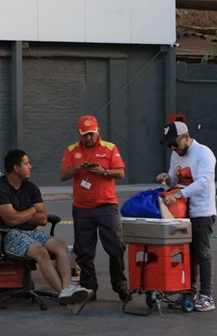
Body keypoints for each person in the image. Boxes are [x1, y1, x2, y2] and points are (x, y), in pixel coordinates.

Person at [0, 149, 93, 311]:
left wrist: (21, 214)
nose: (30, 166)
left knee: (61, 246)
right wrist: (31, 211)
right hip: (5, 234)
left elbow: (43, 218)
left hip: (30, 232)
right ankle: (65, 296)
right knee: (41, 251)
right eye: (26, 163)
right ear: (16, 168)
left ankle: (68, 290)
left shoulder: (30, 187)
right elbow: (11, 220)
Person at [60, 115, 129, 302]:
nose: (89, 138)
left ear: (97, 131)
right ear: (79, 134)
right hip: (82, 208)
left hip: (107, 206)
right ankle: (89, 287)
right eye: (85, 135)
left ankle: (120, 285)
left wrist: (103, 172)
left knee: (115, 246)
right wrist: (78, 168)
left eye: (91, 134)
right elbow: (63, 175)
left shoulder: (110, 148)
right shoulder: (71, 150)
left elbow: (121, 172)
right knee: (84, 251)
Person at [157, 121, 217, 312]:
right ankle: (188, 293)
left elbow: (203, 182)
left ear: (185, 137)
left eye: (174, 143)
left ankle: (207, 296)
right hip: (182, 211)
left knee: (202, 253)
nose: (172, 148)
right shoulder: (176, 154)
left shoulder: (204, 153)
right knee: (186, 253)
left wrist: (177, 194)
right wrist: (167, 179)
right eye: (168, 145)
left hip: (202, 211)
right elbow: (175, 180)